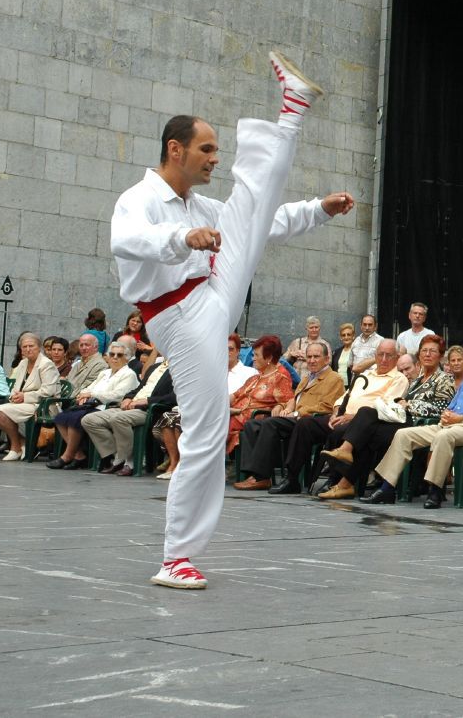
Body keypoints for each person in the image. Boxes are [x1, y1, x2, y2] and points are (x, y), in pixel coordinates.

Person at [110, 52, 355, 590]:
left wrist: (318, 210)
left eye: (218, 149)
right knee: (207, 427)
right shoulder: (140, 198)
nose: (214, 159)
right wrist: (181, 239)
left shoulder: (197, 203)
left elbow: (255, 222)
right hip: (177, 310)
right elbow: (125, 241)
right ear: (175, 149)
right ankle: (176, 555)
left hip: (212, 292)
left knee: (249, 207)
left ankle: (291, 108)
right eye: (207, 149)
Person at [372, 342, 463, 509]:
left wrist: (461, 418)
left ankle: (435, 490)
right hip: (449, 425)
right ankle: (387, 488)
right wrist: (447, 415)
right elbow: (451, 406)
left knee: (443, 436)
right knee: (404, 434)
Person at [320, 335, 456, 499]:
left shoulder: (445, 379)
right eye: (424, 351)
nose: (427, 354)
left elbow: (443, 409)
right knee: (366, 429)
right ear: (419, 355)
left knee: (366, 414)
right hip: (400, 422)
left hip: (417, 425)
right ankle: (345, 483)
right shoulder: (417, 379)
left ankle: (345, 468)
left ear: (440, 356)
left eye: (432, 351)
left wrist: (410, 405)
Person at [288, 339, 408, 500]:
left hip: (365, 422)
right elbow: (345, 396)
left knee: (341, 431)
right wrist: (336, 411)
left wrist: (352, 417)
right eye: (380, 354)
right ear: (375, 355)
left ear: (397, 357)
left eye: (389, 355)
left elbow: (384, 408)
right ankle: (292, 477)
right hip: (343, 416)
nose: (384, 359)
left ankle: (334, 479)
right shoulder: (366, 374)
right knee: (305, 424)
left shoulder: (399, 379)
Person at [233, 339, 344, 491]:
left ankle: (261, 476)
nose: (311, 360)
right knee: (252, 424)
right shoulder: (306, 378)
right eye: (309, 356)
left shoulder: (334, 379)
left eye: (316, 357)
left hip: (310, 421)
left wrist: (296, 412)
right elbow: (294, 399)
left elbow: (327, 406)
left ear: (327, 359)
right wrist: (284, 407)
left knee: (270, 423)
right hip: (294, 419)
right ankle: (254, 474)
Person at [46, 340, 140, 473]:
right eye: (112, 354)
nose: (114, 358)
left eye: (119, 355)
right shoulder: (105, 373)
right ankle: (78, 455)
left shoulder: (129, 374)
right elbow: (90, 387)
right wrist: (83, 395)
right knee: (61, 417)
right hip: (91, 404)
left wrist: (92, 394)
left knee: (75, 419)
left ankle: (67, 456)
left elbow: (118, 395)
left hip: (107, 407)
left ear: (126, 358)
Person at [86, 358, 174, 475]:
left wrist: (147, 401)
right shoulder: (155, 367)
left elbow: (175, 397)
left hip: (150, 410)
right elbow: (139, 388)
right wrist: (128, 397)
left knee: (118, 419)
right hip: (131, 406)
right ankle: (118, 457)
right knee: (90, 420)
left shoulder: (180, 369)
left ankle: (130, 462)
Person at [0, 332, 61, 461]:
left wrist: (24, 397)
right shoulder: (23, 363)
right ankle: (21, 444)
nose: (28, 349)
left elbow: (48, 391)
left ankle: (16, 448)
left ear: (39, 347)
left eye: (31, 346)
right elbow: (16, 387)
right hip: (24, 403)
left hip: (43, 405)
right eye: (24, 347)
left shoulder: (46, 364)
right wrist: (13, 397)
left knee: (1, 412)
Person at [227, 334, 294, 454]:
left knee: (214, 426)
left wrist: (282, 407)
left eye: (256, 355)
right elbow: (235, 395)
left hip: (249, 420)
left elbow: (289, 400)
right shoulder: (254, 378)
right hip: (232, 415)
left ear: (268, 358)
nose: (252, 358)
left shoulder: (279, 378)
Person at [285, 317, 332, 381]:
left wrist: (307, 358)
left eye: (316, 327)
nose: (314, 330)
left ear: (319, 328)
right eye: (311, 328)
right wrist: (291, 354)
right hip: (294, 380)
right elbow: (283, 359)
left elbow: (328, 363)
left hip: (313, 381)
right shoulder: (297, 342)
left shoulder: (325, 344)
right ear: (306, 329)